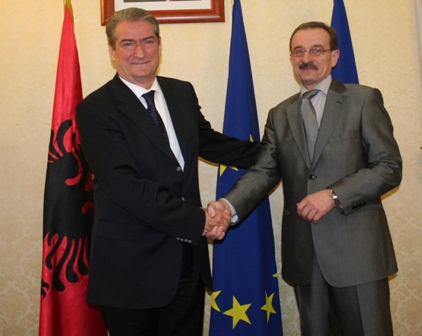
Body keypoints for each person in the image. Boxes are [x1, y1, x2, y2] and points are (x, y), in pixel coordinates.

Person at [208, 21, 402, 335]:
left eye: (316, 50)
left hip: (358, 254)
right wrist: (228, 207)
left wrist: (334, 194)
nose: (306, 58)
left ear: (334, 56)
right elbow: (263, 171)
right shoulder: (280, 114)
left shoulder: (363, 100)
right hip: (305, 258)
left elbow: (389, 166)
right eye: (298, 51)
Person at [76, 7, 259, 336]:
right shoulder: (95, 110)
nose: (140, 51)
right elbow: (127, 187)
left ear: (160, 45)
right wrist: (200, 220)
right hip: (131, 269)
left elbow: (212, 144)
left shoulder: (180, 92)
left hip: (185, 263)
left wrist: (281, 154)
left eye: (148, 41)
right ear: (112, 51)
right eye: (128, 44)